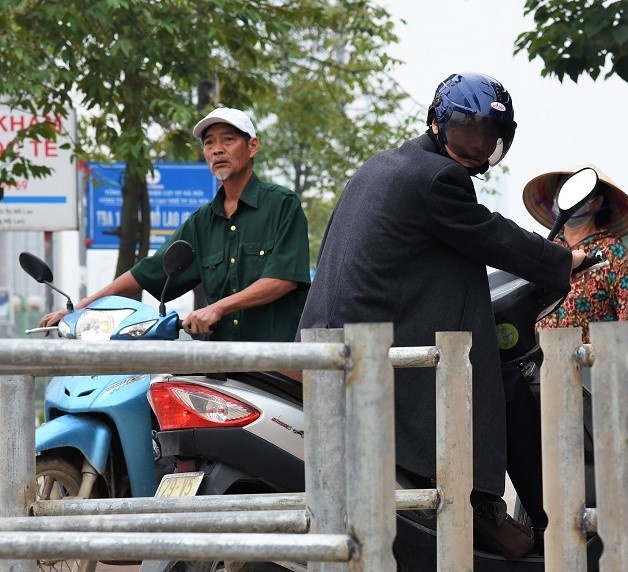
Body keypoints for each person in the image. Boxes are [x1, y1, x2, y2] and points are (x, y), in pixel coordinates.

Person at [296, 72, 587, 559]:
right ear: (436, 125)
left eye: (485, 141)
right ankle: (477, 505)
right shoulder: (436, 177)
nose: (473, 152)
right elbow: (490, 234)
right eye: (464, 135)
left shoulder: (382, 166)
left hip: (340, 336)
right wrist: (563, 260)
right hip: (382, 344)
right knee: (480, 374)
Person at [40, 107, 311, 342]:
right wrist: (79, 308)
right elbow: (146, 274)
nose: (217, 149)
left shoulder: (282, 204)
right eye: (209, 143)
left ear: (252, 146)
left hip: (277, 363)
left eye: (228, 140)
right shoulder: (201, 223)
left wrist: (217, 308)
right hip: (224, 366)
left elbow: (282, 279)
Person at [523, 164, 628, 343]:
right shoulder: (548, 248)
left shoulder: (614, 254)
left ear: (596, 203)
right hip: (544, 364)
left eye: (579, 195)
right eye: (564, 191)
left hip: (595, 365)